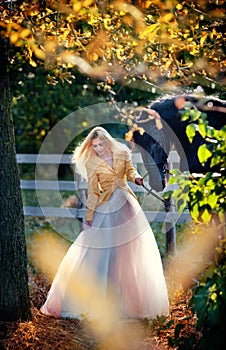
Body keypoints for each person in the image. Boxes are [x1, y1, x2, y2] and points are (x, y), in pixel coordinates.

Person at [40, 126, 169, 320]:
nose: (98, 149)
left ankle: (132, 302)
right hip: (107, 206)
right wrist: (90, 215)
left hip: (127, 204)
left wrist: (137, 178)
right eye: (95, 146)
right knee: (104, 251)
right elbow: (93, 192)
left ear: (107, 142)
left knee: (131, 250)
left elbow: (131, 170)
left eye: (101, 145)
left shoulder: (123, 153)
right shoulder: (92, 163)